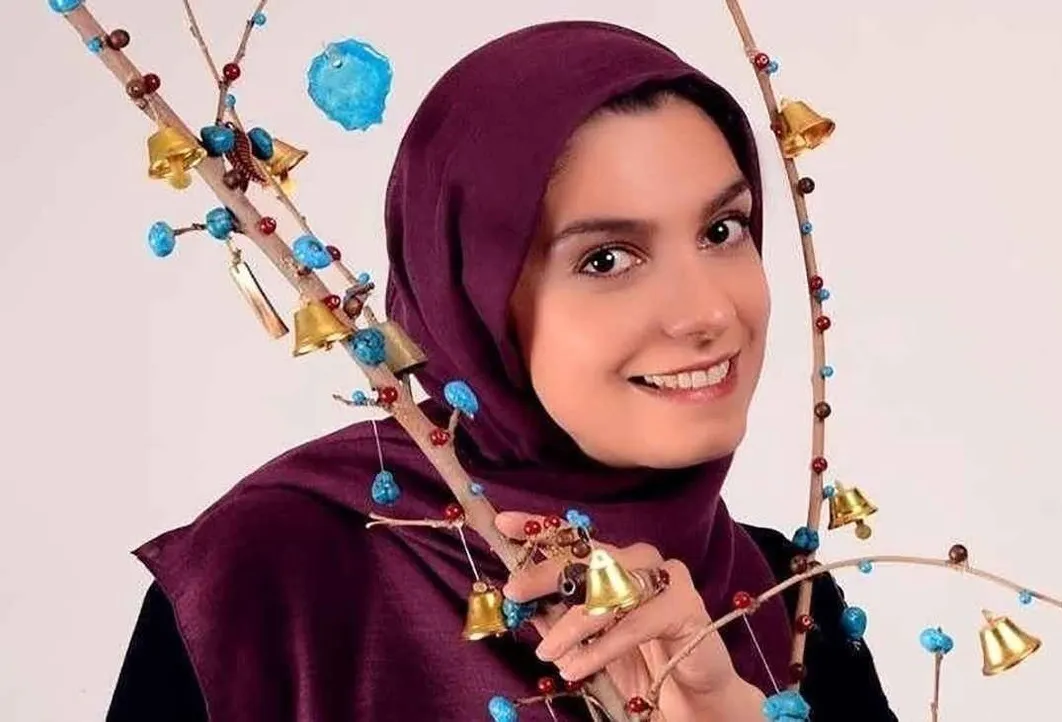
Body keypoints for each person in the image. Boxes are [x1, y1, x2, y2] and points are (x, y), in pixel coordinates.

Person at [106, 20, 897, 722]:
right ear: (471, 299)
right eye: (607, 258)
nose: (708, 312)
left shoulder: (789, 602)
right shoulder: (266, 586)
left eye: (723, 229)